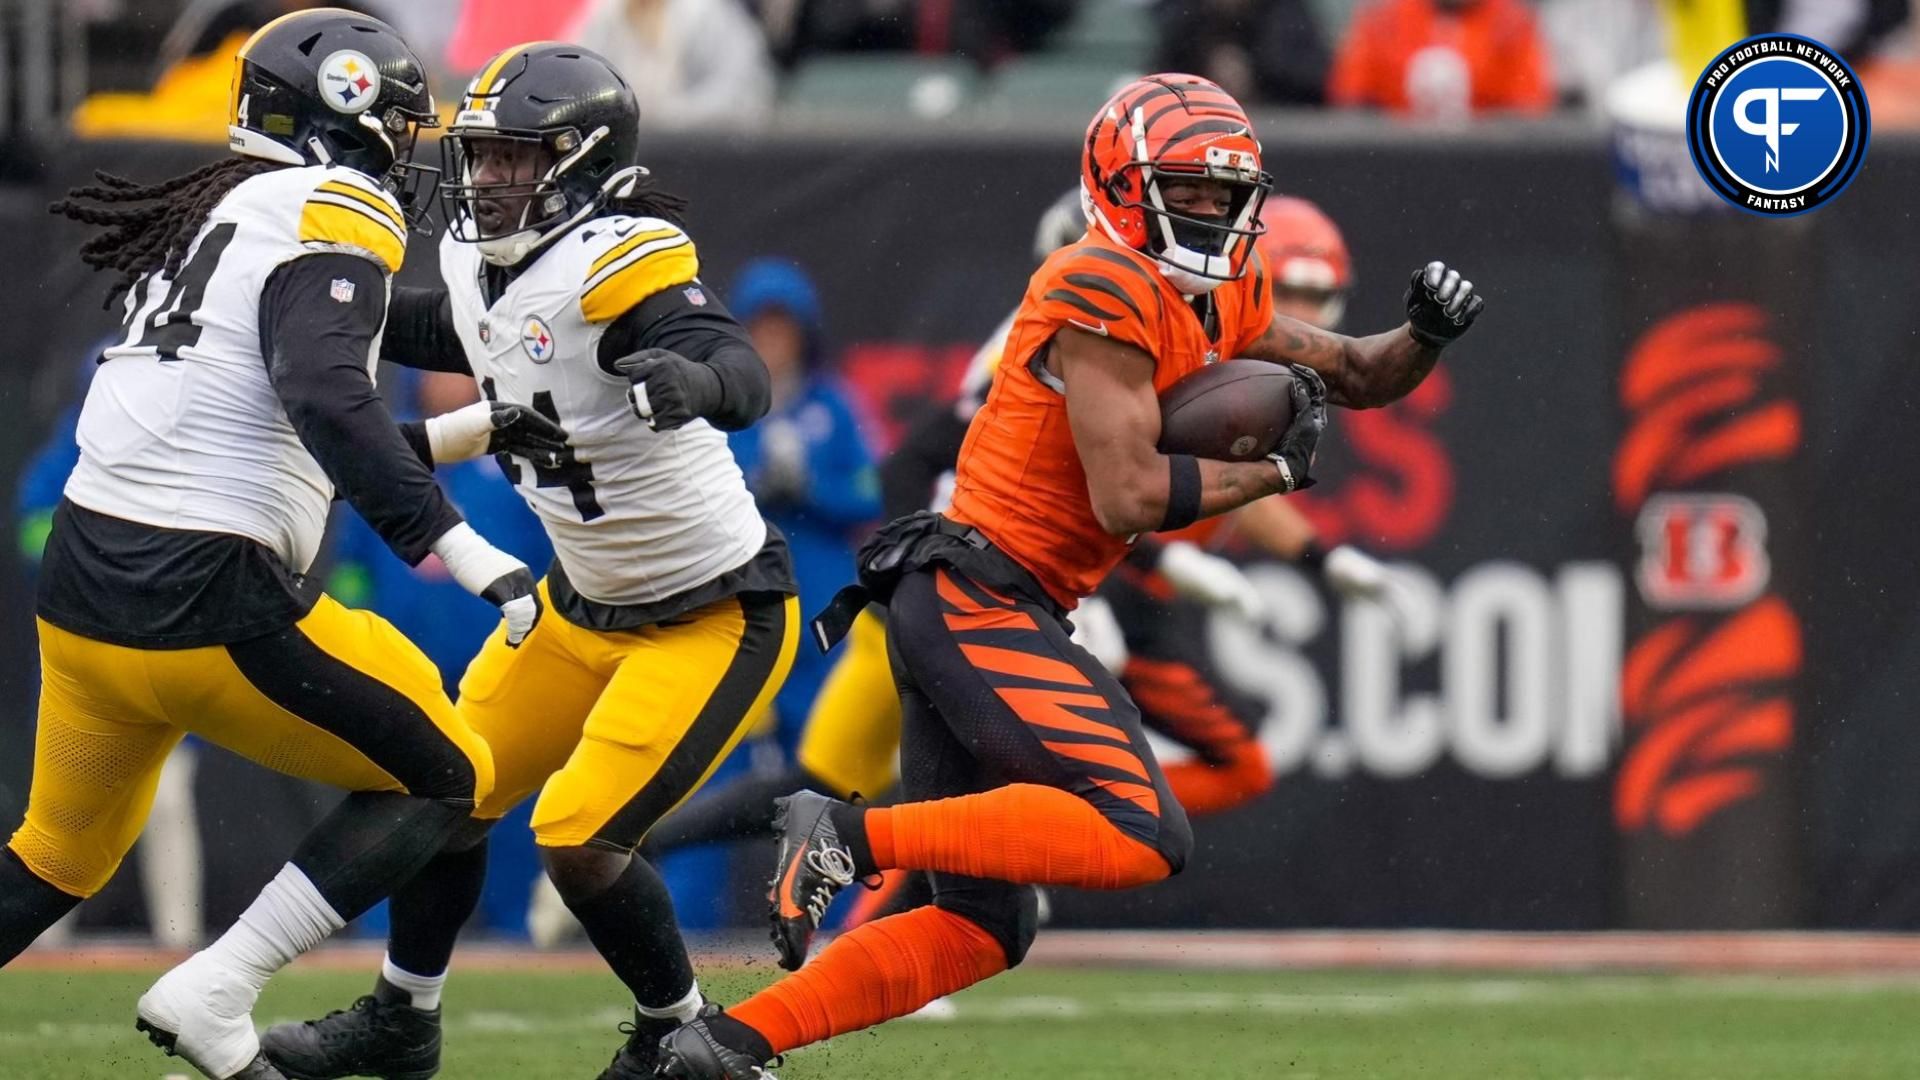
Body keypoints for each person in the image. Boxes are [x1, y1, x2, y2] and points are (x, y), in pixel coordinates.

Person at [656, 72, 1486, 1077]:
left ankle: (725, 1046)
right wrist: (1269, 469)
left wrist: (1425, 338)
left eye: (1227, 195)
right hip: (977, 592)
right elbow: (1127, 497)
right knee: (1140, 828)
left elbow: (1355, 371)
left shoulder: (1211, 288)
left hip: (995, 598)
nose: (1214, 214)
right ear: (1123, 186)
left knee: (979, 928)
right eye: (1190, 191)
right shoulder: (1100, 284)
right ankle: (842, 832)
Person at [5, 11, 564, 1080]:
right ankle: (223, 988)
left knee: (54, 859)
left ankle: (374, 1022)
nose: (411, 153)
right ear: (346, 120)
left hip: (85, 592)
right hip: (203, 595)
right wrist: (453, 540)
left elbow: (330, 368)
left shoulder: (230, 214)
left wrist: (507, 382)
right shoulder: (335, 205)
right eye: (401, 127)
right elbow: (323, 391)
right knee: (450, 779)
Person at [261, 42, 800, 1080]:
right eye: (484, 157)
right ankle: (400, 1018)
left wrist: (695, 384)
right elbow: (439, 322)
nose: (489, 179)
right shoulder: (481, 263)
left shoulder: (620, 257)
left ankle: (686, 1037)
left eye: (517, 158)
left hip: (711, 614)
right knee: (446, 784)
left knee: (578, 836)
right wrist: (310, 319)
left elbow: (738, 365)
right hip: (581, 605)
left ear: (584, 163)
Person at [639, 191, 1403, 865]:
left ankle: (667, 849)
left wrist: (1225, 559)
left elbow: (1108, 481)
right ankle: (655, 847)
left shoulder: (1145, 324)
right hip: (974, 586)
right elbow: (956, 465)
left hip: (980, 585)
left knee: (918, 792)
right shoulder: (1068, 331)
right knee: (925, 791)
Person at [726, 257, 880, 744]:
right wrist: (753, 487)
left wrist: (808, 489)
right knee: (745, 764)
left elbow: (871, 494)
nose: (773, 343)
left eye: (783, 329)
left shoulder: (833, 405)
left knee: (825, 747)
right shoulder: (723, 409)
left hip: (824, 602)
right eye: (762, 329)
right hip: (745, 606)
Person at [1328, 0, 1555, 120]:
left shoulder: (1512, 23)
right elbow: (1352, 101)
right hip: (1395, 167)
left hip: (1488, 171)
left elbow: (1528, 112)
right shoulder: (1383, 19)